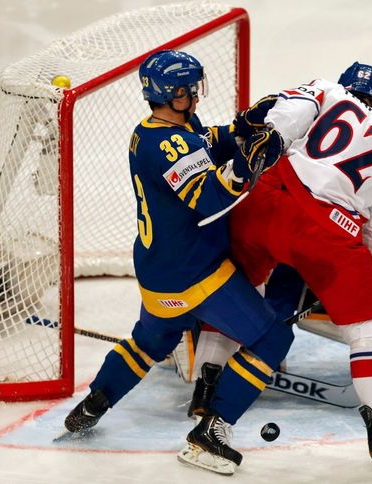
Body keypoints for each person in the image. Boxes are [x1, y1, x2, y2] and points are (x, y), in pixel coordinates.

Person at [63, 50, 292, 475]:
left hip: (158, 272)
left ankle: (96, 402)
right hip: (196, 273)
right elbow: (209, 199)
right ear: (175, 93)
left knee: (150, 342)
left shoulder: (156, 130)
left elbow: (204, 144)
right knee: (273, 340)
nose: (196, 95)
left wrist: (241, 129)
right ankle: (212, 431)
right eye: (190, 88)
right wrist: (250, 164)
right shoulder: (170, 143)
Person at [219, 62, 372, 478]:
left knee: (234, 282)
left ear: (346, 86)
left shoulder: (325, 90)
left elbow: (282, 123)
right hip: (329, 231)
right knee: (366, 330)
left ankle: (209, 381)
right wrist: (361, 283)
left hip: (268, 200)